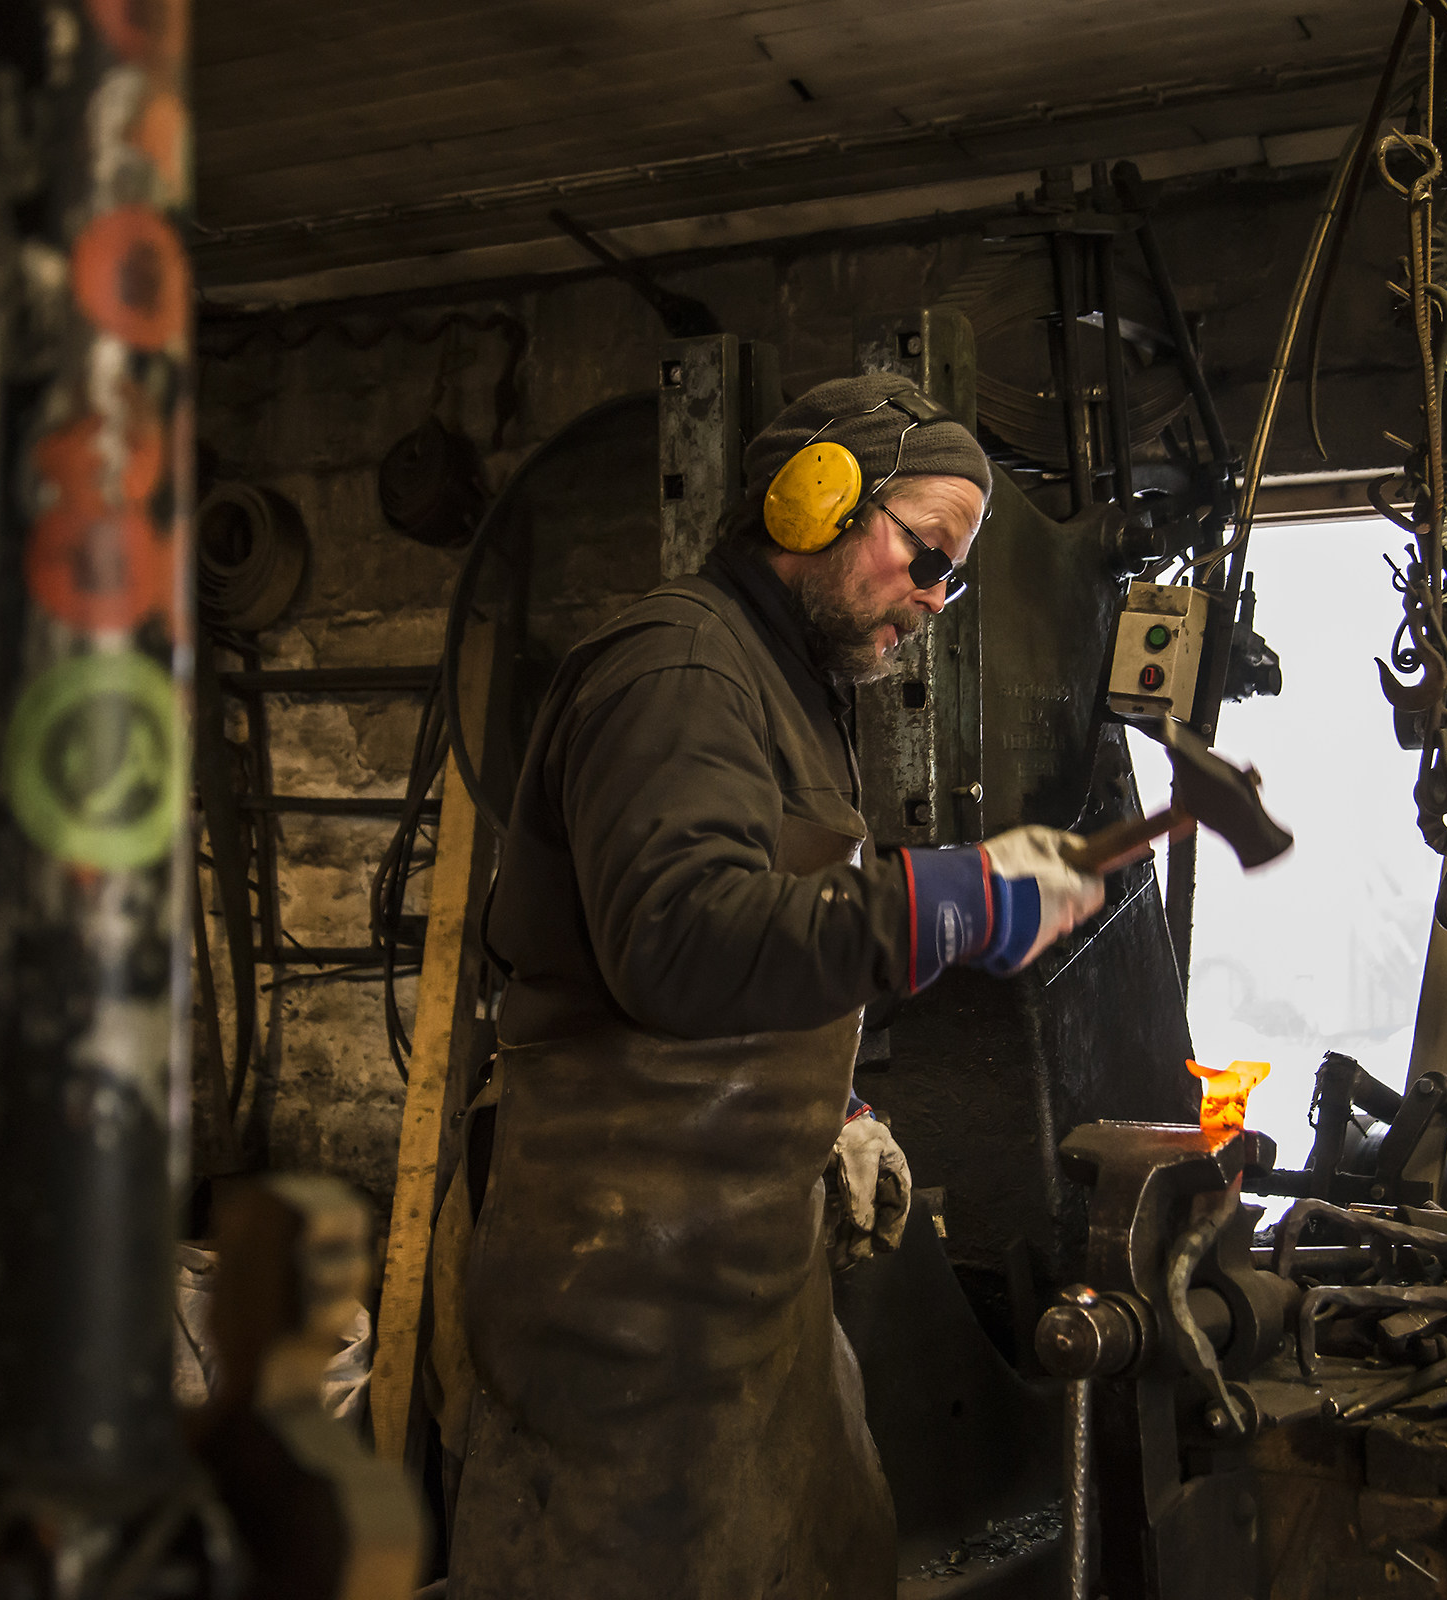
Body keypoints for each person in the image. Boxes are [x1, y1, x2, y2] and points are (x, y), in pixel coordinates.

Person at [441, 373, 1106, 1599]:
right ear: (814, 499)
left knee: (830, 1551)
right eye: (926, 554)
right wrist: (942, 899)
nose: (935, 599)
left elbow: (762, 943)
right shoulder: (677, 668)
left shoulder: (783, 686)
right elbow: (680, 943)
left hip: (746, 1271)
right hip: (626, 1295)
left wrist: (832, 1106)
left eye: (951, 576)